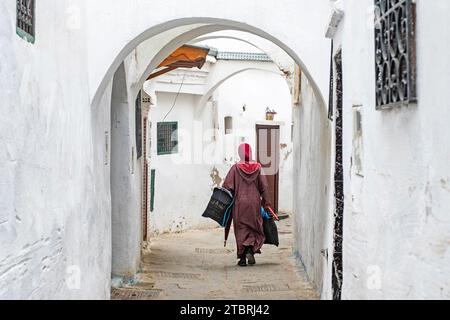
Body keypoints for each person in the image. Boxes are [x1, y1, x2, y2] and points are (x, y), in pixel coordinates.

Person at [222, 143, 272, 267]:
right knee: (253, 228)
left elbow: (227, 186)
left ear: (240, 153)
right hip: (254, 204)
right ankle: (250, 250)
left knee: (241, 229)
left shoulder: (235, 168)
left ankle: (243, 258)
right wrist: (267, 203)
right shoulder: (258, 167)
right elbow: (264, 187)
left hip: (240, 204)